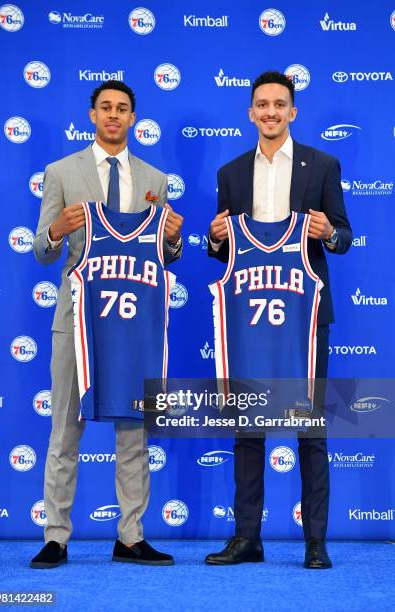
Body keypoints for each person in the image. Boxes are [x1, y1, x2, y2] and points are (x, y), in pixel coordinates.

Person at [31, 80, 183, 568]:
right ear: (92, 115)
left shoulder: (155, 178)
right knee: (64, 432)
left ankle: (131, 536)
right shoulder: (61, 172)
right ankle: (56, 536)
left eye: (122, 109)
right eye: (106, 108)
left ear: (133, 118)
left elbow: (162, 256)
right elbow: (40, 249)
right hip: (76, 322)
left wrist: (174, 239)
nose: (114, 115)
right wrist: (56, 230)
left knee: (133, 431)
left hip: (132, 327)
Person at [205, 71, 352, 569]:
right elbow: (221, 252)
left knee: (310, 428)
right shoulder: (230, 173)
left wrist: (330, 231)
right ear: (250, 113)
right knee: (248, 428)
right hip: (248, 317)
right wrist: (215, 237)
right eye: (262, 105)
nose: (270, 112)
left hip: (305, 318)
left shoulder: (323, 164)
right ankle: (248, 537)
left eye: (279, 104)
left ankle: (316, 541)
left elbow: (345, 236)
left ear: (293, 111)